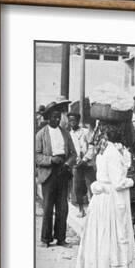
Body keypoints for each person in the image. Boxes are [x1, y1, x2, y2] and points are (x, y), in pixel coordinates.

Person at [76, 124, 135, 268]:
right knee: (110, 240)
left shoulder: (103, 150)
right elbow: (118, 182)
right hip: (110, 200)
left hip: (101, 200)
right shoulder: (113, 153)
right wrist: (132, 181)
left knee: (102, 240)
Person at [35, 103, 77, 247]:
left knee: (62, 208)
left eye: (59, 117)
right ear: (48, 118)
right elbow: (36, 156)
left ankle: (61, 238)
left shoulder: (65, 133)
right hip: (48, 173)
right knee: (47, 207)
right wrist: (51, 160)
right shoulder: (41, 134)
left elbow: (73, 153)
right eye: (54, 117)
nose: (57, 120)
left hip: (63, 172)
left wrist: (66, 164)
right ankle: (45, 239)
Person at [67, 112, 95, 217]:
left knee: (92, 186)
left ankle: (94, 210)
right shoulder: (69, 134)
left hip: (87, 164)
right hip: (76, 165)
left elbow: (92, 146)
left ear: (78, 121)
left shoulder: (86, 132)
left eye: (74, 120)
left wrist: (85, 159)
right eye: (70, 121)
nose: (72, 123)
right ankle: (81, 209)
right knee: (77, 188)